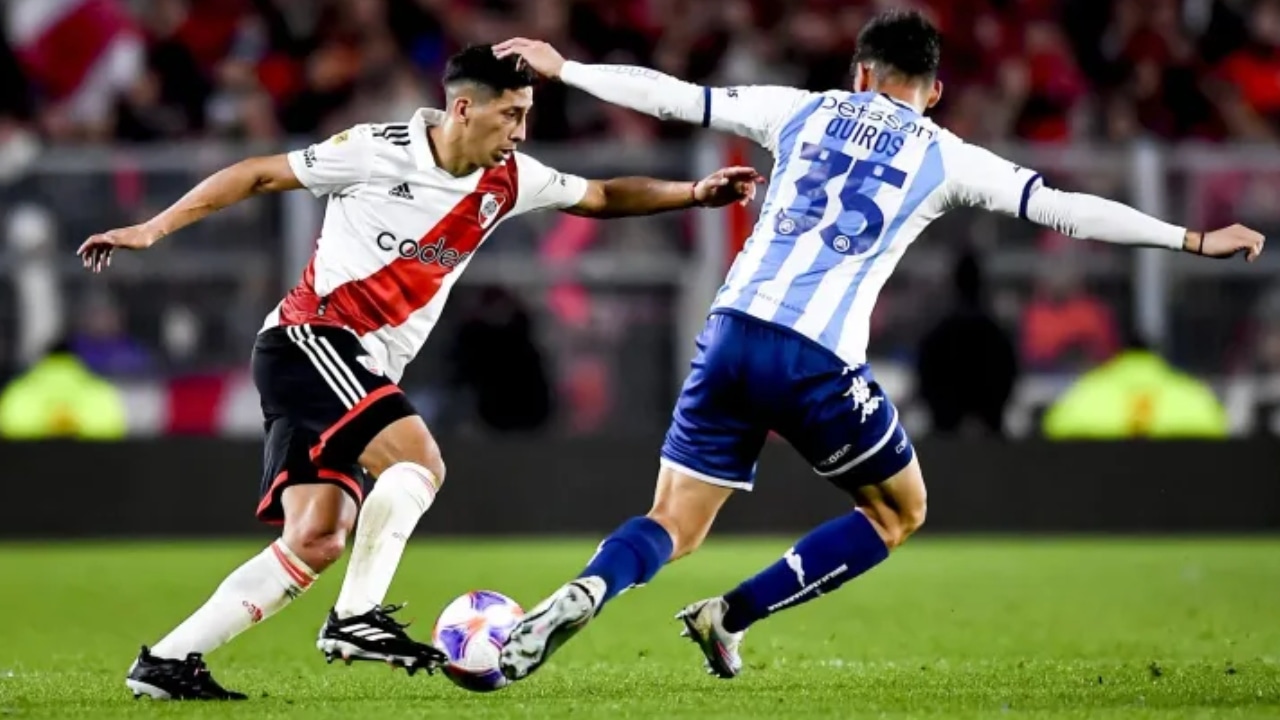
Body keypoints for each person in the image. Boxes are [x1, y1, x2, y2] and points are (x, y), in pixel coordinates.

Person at [490, 9, 1266, 682]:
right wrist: (1189, 237)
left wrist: (568, 68)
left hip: (726, 335)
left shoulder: (795, 109)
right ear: (934, 90)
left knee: (674, 522)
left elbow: (673, 97)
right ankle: (733, 612)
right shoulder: (944, 153)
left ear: (860, 72)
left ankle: (594, 586)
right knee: (899, 511)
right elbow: (1062, 210)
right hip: (816, 358)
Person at [77, 45, 762, 701]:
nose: (521, 131)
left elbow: (603, 196)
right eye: (510, 115)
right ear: (464, 109)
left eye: (527, 115)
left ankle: (166, 661)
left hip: (347, 363)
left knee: (316, 537)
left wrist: (693, 191)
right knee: (420, 463)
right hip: (310, 339)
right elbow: (258, 172)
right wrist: (150, 230)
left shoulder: (511, 179)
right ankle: (356, 618)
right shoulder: (375, 150)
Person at [915, 251, 1018, 436]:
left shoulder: (938, 336)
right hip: (985, 438)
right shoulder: (996, 335)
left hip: (947, 438)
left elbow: (926, 383)